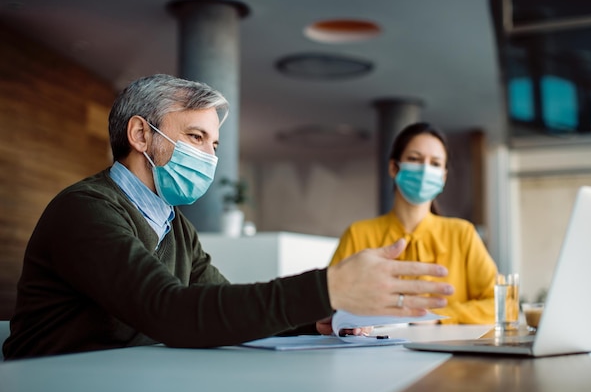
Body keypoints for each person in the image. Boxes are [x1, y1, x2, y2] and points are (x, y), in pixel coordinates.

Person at [2, 74, 454, 360]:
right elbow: (169, 311)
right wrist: (327, 286)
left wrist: (316, 317)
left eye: (213, 145)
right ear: (141, 134)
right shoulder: (85, 210)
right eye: (196, 136)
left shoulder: (175, 225)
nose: (208, 156)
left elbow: (219, 302)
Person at [329, 122, 497, 324]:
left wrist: (440, 318)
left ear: (443, 177)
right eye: (415, 159)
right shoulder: (358, 234)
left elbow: (502, 304)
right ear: (393, 167)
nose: (425, 170)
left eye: (435, 163)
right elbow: (332, 303)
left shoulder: (463, 234)